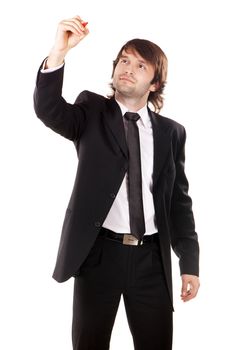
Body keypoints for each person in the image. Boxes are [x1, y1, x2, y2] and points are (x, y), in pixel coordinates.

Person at [33, 15, 200, 350]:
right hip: (98, 255)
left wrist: (190, 263)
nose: (127, 68)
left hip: (151, 259)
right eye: (123, 60)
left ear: (155, 83)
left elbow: (178, 201)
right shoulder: (91, 111)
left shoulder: (172, 133)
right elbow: (48, 109)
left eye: (140, 65)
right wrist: (58, 52)